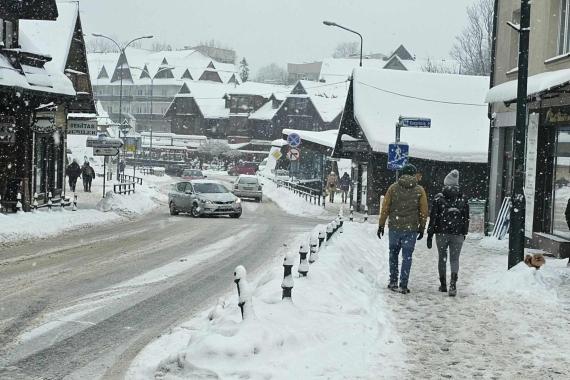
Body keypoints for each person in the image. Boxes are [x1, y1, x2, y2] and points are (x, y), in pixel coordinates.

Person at [377, 163, 428, 294]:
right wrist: (422, 227)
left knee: (393, 254)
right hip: (410, 229)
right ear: (414, 174)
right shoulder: (419, 190)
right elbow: (423, 211)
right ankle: (403, 284)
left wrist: (381, 224)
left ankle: (393, 281)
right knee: (407, 256)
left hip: (395, 227)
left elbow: (385, 208)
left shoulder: (393, 188)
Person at [426, 170, 469, 297]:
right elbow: (466, 218)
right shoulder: (463, 198)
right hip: (458, 234)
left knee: (442, 258)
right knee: (455, 259)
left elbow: (433, 217)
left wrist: (430, 234)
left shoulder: (439, 198)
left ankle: (443, 284)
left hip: (441, 233)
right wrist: (464, 232)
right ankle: (453, 284)